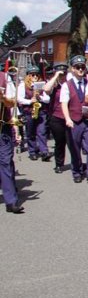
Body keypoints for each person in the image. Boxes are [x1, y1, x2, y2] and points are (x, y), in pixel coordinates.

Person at [60, 55, 88, 184]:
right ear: (72, 69)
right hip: (74, 121)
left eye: (82, 67)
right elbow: (64, 103)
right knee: (75, 148)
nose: (81, 69)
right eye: (77, 67)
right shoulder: (67, 85)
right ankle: (77, 171)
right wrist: (67, 119)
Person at [1, 69, 24, 213]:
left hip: (2, 127)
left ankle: (11, 201)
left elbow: (13, 103)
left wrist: (3, 98)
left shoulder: (4, 77)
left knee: (5, 162)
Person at [18, 66, 51, 161]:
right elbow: (19, 99)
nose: (35, 76)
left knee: (42, 132)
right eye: (33, 75)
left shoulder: (42, 84)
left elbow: (48, 99)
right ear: (28, 76)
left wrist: (41, 98)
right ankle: (32, 152)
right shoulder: (23, 85)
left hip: (41, 112)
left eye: (37, 74)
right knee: (30, 133)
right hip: (29, 112)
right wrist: (30, 101)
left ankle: (44, 152)